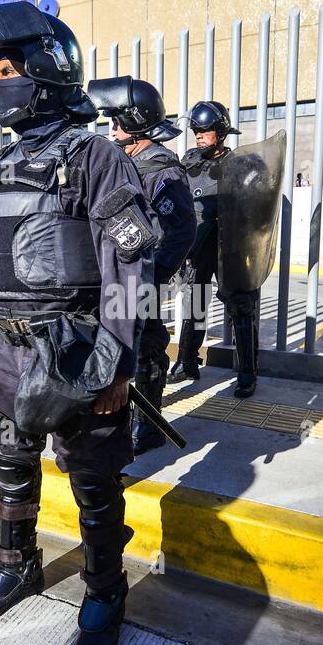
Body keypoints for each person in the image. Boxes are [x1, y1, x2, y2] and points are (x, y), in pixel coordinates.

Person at [0, 0, 157, 645]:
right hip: (5, 355)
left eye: (6, 67)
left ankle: (103, 592)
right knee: (10, 465)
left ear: (44, 70)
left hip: (78, 353)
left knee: (94, 482)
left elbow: (130, 263)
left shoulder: (95, 156)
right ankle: (17, 564)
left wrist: (117, 363)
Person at [87, 74, 195, 455]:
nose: (111, 130)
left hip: (143, 280)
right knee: (116, 347)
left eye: (117, 122)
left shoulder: (161, 169)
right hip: (116, 281)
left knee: (147, 347)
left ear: (135, 125)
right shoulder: (121, 164)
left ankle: (147, 427)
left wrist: (152, 277)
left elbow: (180, 232)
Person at [170, 99, 261, 398]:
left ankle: (247, 372)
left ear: (220, 131)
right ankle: (186, 362)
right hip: (198, 245)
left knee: (240, 306)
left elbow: (257, 207)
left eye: (205, 129)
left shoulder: (241, 164)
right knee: (193, 302)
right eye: (196, 129)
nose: (198, 134)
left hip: (230, 246)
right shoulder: (189, 161)